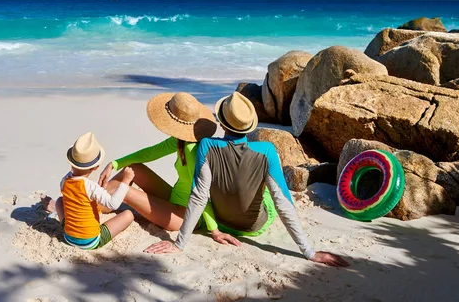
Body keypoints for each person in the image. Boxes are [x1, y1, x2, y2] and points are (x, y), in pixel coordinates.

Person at [145, 92, 349, 267]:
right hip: (255, 227)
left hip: (223, 224)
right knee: (271, 189)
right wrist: (310, 252)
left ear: (222, 123)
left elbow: (199, 197)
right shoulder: (267, 151)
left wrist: (179, 244)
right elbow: (282, 203)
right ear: (249, 126)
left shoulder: (206, 146)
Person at [98, 92, 233, 242]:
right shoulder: (183, 140)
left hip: (187, 215)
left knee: (125, 191)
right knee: (134, 169)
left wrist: (214, 230)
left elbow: (201, 192)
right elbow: (151, 153)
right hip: (175, 199)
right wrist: (114, 164)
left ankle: (90, 205)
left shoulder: (193, 150)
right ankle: (98, 202)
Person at [43, 131, 135, 250]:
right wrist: (126, 181)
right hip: (91, 241)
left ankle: (67, 225)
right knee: (128, 215)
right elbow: (114, 204)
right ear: (96, 167)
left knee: (60, 201)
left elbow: (78, 195)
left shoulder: (64, 181)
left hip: (68, 237)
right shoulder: (91, 187)